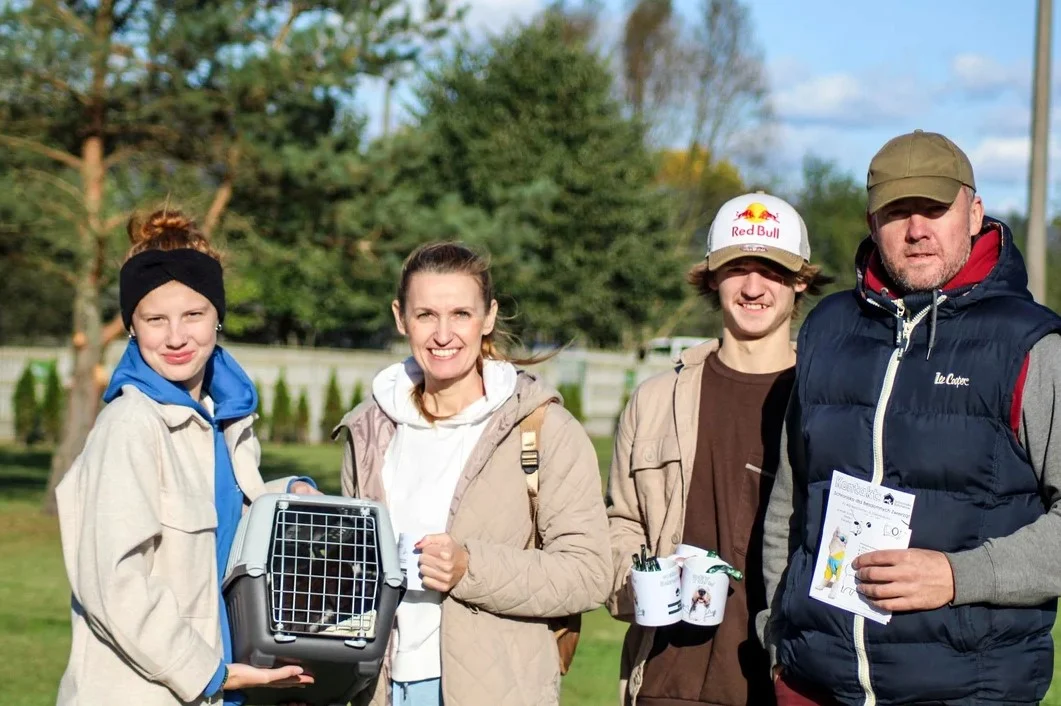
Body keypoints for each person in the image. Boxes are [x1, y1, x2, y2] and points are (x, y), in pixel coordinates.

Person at [760, 130, 1061, 705]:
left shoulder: (1032, 346)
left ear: (973, 213)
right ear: (872, 224)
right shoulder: (825, 331)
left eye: (934, 209)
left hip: (968, 691)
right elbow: (789, 502)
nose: (916, 230)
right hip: (813, 684)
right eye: (898, 213)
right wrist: (780, 638)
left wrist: (957, 577)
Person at [55, 210, 321, 706]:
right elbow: (112, 584)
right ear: (132, 326)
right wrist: (209, 674)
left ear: (217, 316)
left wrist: (287, 494)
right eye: (155, 319)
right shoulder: (131, 425)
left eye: (193, 315)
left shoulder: (225, 421)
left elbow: (223, 528)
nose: (176, 337)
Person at [332, 241, 611, 706]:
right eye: (426, 316)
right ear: (401, 318)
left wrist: (469, 567)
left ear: (488, 317)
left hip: (497, 689)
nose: (443, 334)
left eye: (461, 313)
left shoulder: (541, 427)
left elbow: (588, 573)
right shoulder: (370, 428)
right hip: (377, 688)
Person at [606, 192, 828, 706]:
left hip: (788, 684)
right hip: (666, 681)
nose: (753, 287)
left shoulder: (829, 402)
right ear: (710, 277)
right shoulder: (656, 400)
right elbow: (621, 525)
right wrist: (638, 583)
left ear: (800, 281)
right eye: (737, 268)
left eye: (771, 270)